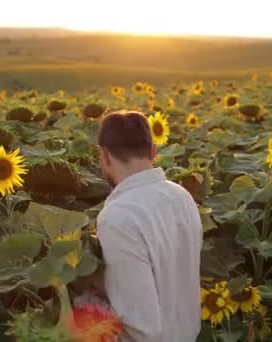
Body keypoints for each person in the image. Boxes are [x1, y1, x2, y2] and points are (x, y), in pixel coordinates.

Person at [96, 110, 203, 341]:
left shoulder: (117, 217)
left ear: (104, 155)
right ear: (153, 151)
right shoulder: (182, 196)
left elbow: (142, 328)